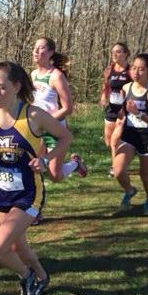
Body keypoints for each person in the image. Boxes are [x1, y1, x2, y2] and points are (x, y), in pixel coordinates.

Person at [0, 61, 72, 295]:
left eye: (1, 87)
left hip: (28, 194)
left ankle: (27, 275)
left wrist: (46, 159)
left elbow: (65, 137)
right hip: (3, 195)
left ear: (16, 86)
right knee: (18, 247)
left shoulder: (33, 115)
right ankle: (42, 277)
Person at [31, 37, 86, 224]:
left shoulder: (56, 76)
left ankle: (76, 164)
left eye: (42, 49)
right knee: (34, 169)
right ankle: (35, 211)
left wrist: (48, 121)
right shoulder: (31, 76)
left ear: (51, 52)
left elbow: (68, 108)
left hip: (55, 130)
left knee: (55, 175)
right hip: (37, 130)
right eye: (35, 48)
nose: (38, 52)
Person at [111, 53, 148, 215]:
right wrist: (116, 111)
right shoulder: (126, 88)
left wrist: (139, 114)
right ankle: (130, 190)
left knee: (145, 175)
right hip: (130, 134)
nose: (136, 72)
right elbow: (123, 114)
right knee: (118, 170)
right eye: (134, 68)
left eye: (141, 69)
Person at [100, 42, 131, 177]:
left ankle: (115, 167)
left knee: (114, 141)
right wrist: (103, 96)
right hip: (111, 108)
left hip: (124, 110)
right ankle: (124, 157)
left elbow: (136, 89)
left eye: (118, 51)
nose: (114, 54)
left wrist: (127, 106)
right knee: (108, 140)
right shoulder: (109, 69)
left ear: (125, 54)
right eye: (113, 51)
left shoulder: (130, 71)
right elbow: (106, 85)